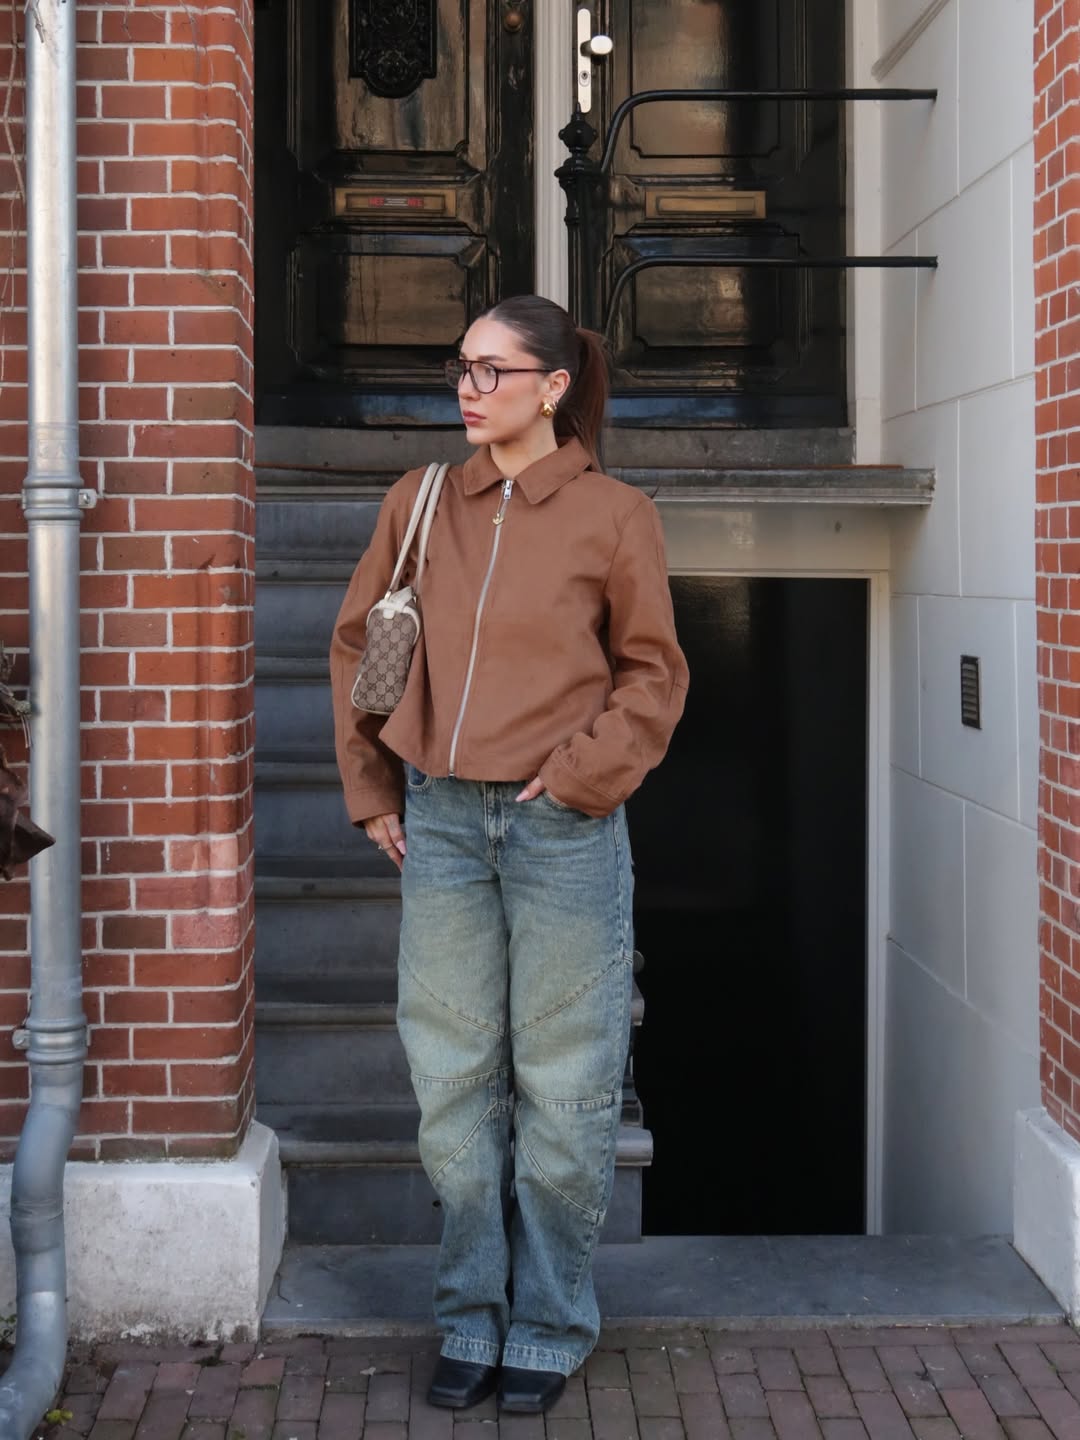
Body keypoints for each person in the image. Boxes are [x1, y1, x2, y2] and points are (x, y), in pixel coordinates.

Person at [330, 293, 688, 1415]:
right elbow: (361, 644)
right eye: (462, 367)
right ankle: (468, 1313)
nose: (469, 389)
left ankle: (549, 1319)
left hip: (561, 830)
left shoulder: (615, 515)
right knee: (452, 1085)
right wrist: (373, 786)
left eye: (493, 370)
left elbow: (653, 676)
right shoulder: (421, 500)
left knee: (567, 1088)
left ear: (553, 386)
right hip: (439, 821)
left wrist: (579, 776)